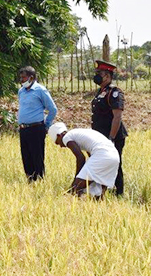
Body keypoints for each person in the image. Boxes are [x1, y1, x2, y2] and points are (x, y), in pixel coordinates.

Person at [48, 122, 120, 198]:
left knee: (74, 189)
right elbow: (90, 155)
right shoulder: (79, 132)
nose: (60, 146)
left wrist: (77, 179)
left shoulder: (66, 137)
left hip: (102, 155)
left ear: (59, 135)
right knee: (97, 196)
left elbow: (81, 158)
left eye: (57, 143)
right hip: (114, 157)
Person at [91, 60, 127, 196]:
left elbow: (117, 117)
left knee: (114, 164)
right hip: (100, 136)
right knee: (101, 164)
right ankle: (102, 191)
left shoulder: (114, 92)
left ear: (107, 76)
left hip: (112, 136)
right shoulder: (101, 92)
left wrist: (111, 138)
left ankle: (118, 192)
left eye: (99, 73)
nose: (97, 76)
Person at [17, 66, 57, 182]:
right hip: (23, 128)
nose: (21, 80)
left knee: (37, 156)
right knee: (26, 156)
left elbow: (52, 109)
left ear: (31, 77)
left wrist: (46, 125)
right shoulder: (21, 91)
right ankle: (30, 180)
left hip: (36, 128)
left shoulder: (40, 90)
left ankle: (39, 180)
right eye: (21, 77)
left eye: (24, 77)